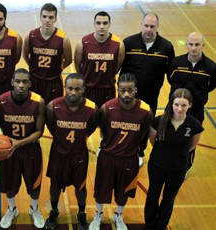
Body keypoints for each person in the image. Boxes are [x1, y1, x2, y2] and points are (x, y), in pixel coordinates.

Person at [89, 73, 152, 230]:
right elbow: (102, 129)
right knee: (101, 189)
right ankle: (98, 214)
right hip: (108, 157)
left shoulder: (145, 111)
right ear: (117, 89)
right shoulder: (107, 108)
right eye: (122, 90)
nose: (126, 94)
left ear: (136, 90)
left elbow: (143, 133)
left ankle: (118, 215)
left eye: (130, 90)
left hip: (129, 158)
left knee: (123, 192)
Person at [45, 73, 99, 230]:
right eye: (70, 88)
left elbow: (91, 128)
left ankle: (81, 214)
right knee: (54, 186)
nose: (73, 92)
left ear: (84, 89)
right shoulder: (52, 106)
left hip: (79, 155)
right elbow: (51, 126)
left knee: (80, 188)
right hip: (58, 154)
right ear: (65, 88)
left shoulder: (92, 109)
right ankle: (54, 211)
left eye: (77, 89)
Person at [144, 88, 203, 230]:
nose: (179, 108)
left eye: (183, 105)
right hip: (157, 165)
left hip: (178, 168)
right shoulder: (158, 121)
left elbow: (191, 146)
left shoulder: (194, 125)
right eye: (176, 104)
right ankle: (150, 224)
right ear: (171, 104)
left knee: (169, 198)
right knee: (153, 195)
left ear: (190, 105)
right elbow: (153, 142)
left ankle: (161, 225)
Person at [0, 68, 45, 229]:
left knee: (34, 185)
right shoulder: (1, 101)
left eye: (25, 82)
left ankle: (34, 209)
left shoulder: (38, 102)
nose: (21, 85)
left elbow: (39, 132)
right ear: (12, 82)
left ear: (30, 83)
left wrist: (18, 143)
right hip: (9, 151)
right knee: (10, 185)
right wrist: (2, 142)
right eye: (18, 81)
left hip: (31, 151)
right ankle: (12, 209)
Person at [121, 12, 175, 160]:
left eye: (152, 26)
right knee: (125, 122)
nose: (149, 29)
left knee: (145, 123)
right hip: (128, 96)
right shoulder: (128, 43)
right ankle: (124, 147)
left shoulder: (166, 47)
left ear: (157, 27)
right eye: (146, 25)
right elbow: (120, 68)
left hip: (151, 95)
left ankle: (140, 151)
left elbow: (171, 72)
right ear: (141, 25)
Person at [167, 32, 216, 171]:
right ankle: (169, 161)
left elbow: (211, 86)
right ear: (186, 45)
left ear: (203, 46)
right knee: (169, 137)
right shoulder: (176, 63)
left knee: (189, 141)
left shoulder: (211, 67)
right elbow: (170, 79)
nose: (194, 48)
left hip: (195, 112)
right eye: (191, 44)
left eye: (197, 45)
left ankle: (185, 167)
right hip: (174, 111)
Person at [22, 3, 72, 103]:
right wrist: (33, 66)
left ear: (55, 19)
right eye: (44, 17)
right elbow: (25, 55)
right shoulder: (31, 36)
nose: (47, 20)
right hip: (34, 80)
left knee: (53, 111)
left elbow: (69, 60)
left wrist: (58, 68)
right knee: (34, 110)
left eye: (50, 17)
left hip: (53, 82)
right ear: (40, 17)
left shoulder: (63, 39)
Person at [74, 11, 125, 107]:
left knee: (105, 120)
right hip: (88, 89)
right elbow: (77, 64)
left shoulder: (118, 44)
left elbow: (117, 66)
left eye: (105, 23)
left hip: (108, 89)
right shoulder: (83, 42)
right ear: (94, 24)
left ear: (109, 24)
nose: (102, 26)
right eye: (98, 23)